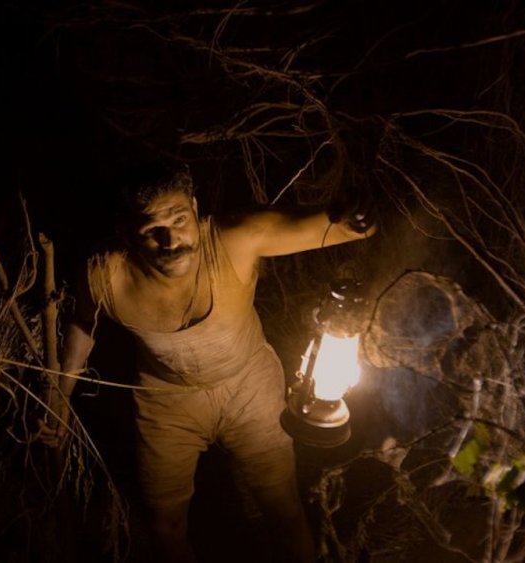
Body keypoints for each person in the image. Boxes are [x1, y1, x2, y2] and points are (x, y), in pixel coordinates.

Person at [38, 163, 374, 562]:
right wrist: (61, 395)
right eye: (151, 229)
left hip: (250, 386)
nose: (170, 240)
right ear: (126, 233)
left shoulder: (234, 239)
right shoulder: (106, 275)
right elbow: (83, 322)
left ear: (195, 209)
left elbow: (348, 227)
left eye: (180, 220)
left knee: (283, 511)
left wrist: (357, 213)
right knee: (166, 526)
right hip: (166, 402)